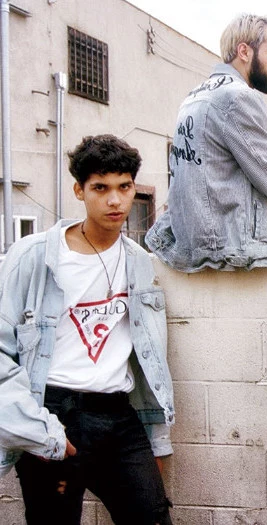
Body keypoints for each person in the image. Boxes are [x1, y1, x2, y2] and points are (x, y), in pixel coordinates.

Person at [0, 135, 175, 524]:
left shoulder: (140, 262)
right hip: (54, 412)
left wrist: (157, 436)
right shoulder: (34, 256)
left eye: (124, 187)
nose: (115, 201)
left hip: (118, 414)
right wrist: (39, 428)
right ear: (79, 190)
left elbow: (149, 355)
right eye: (101, 188)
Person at [146, 13, 267, 273]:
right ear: (244, 51)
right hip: (227, 245)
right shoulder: (237, 97)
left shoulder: (194, 96)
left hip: (189, 241)